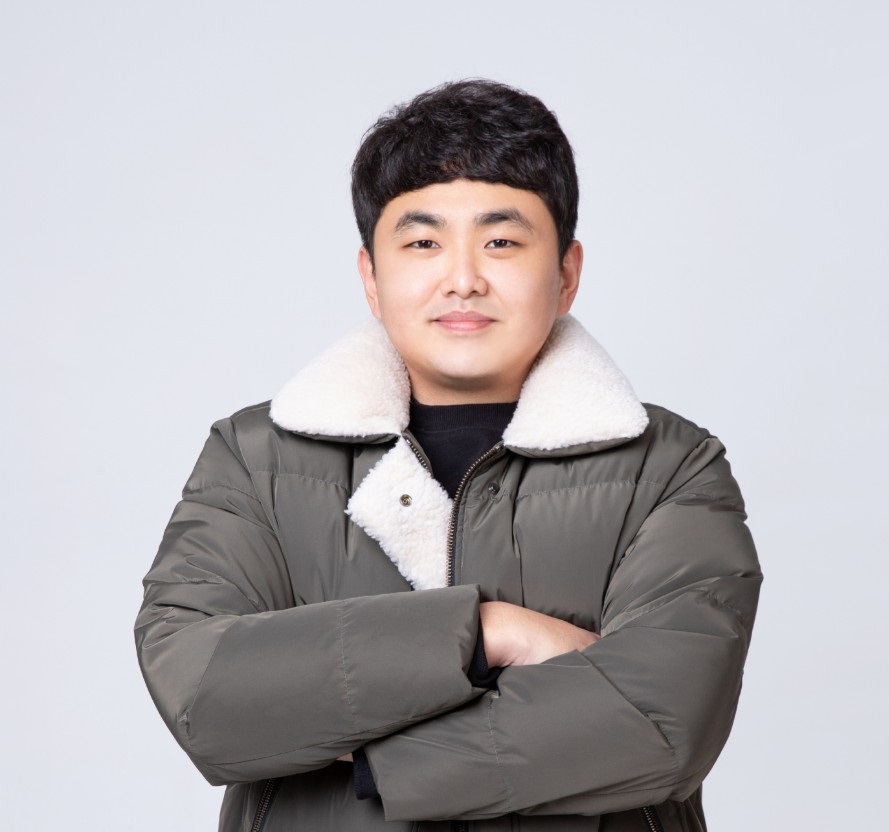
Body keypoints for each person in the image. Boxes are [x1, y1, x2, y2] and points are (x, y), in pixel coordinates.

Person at [135, 79, 761, 832]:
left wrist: (357, 750)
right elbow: (206, 697)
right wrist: (483, 634)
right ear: (371, 277)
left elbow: (661, 725)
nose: (463, 279)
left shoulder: (671, 467)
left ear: (566, 273)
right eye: (423, 243)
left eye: (501, 242)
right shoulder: (254, 457)